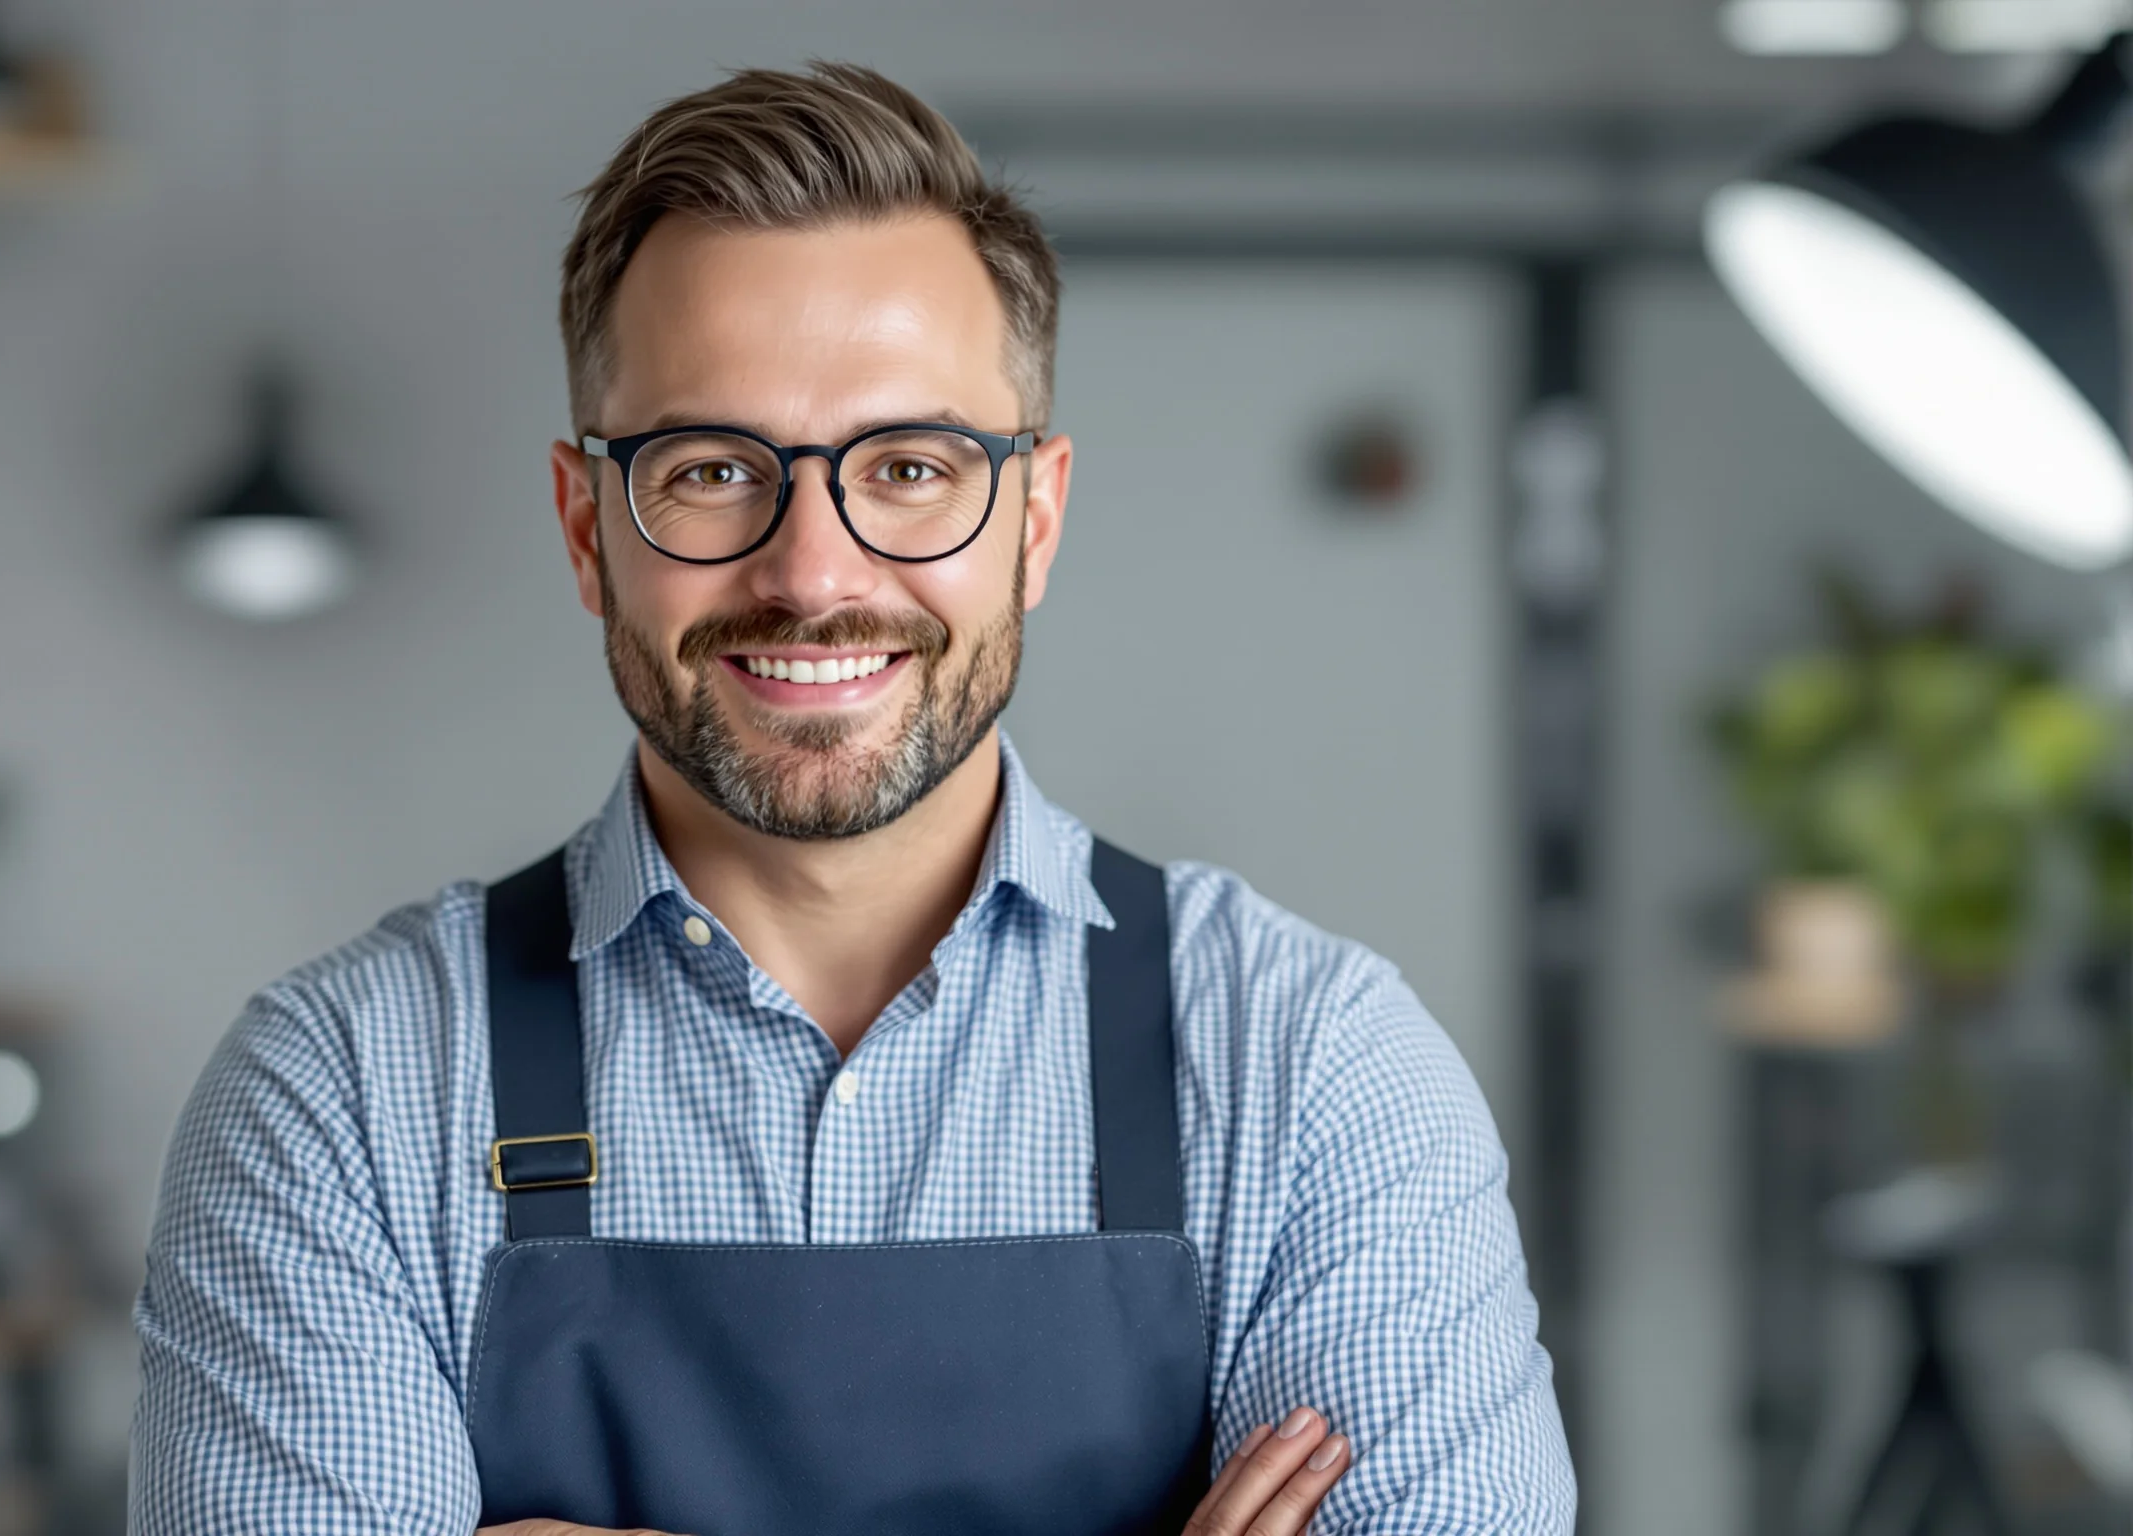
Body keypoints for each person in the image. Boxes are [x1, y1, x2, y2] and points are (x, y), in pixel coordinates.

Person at [128, 61, 1575, 1536]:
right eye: (709, 470)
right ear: (585, 527)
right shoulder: (342, 1094)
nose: (813, 574)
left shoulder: (1314, 1071)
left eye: (910, 468)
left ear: (1035, 520)